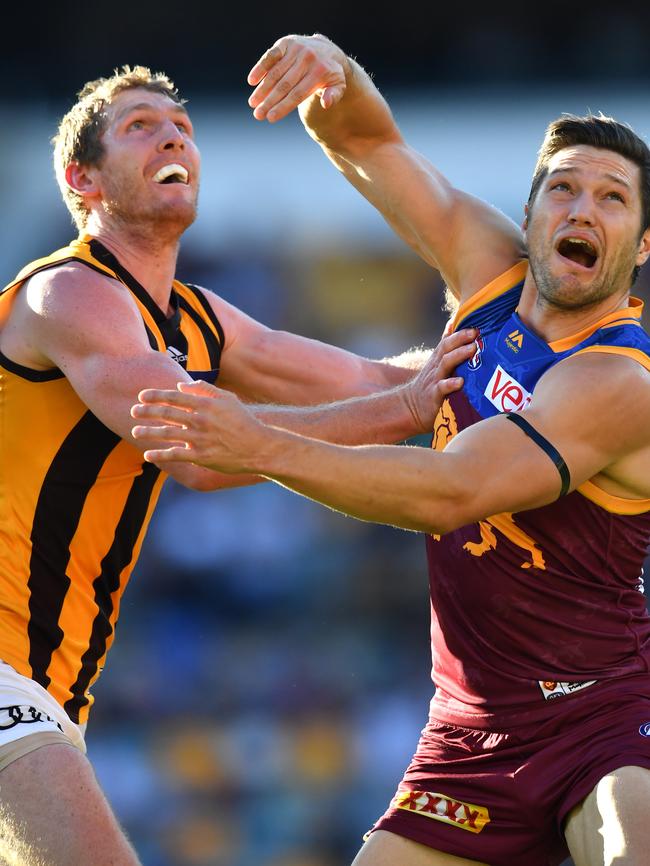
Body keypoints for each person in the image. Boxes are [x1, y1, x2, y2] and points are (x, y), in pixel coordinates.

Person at [131, 35, 650, 866]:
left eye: (613, 198)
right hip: (470, 729)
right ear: (530, 215)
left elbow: (449, 491)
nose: (581, 209)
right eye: (562, 188)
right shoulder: (489, 274)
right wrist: (333, 70)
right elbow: (368, 142)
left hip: (605, 713)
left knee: (632, 845)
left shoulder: (619, 382)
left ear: (643, 247)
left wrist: (262, 441)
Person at [0, 64, 477, 866]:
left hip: (50, 677)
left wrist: (513, 376)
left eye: (178, 123)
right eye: (139, 126)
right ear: (84, 181)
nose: (173, 133)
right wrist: (409, 410)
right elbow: (199, 449)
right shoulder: (67, 294)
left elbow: (375, 379)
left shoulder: (197, 316)